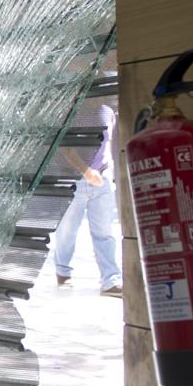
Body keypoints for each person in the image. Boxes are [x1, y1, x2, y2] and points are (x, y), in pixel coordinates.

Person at [53, 103, 123, 297]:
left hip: (102, 178)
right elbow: (66, 146)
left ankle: (111, 280)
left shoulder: (108, 111)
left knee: (104, 232)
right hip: (73, 178)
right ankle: (63, 273)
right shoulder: (73, 109)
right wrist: (85, 171)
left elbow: (111, 144)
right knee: (67, 230)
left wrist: (112, 172)